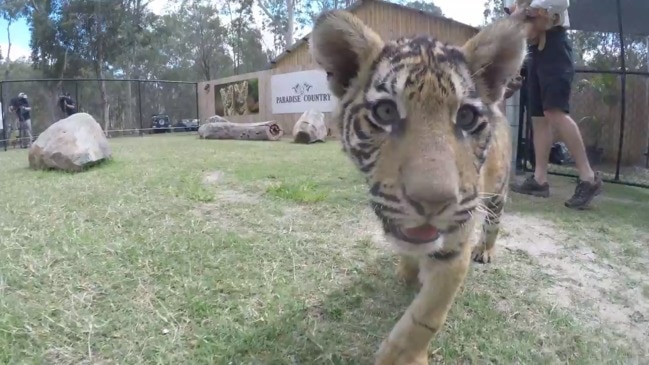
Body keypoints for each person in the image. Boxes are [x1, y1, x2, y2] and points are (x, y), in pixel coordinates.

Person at [507, 0, 603, 210]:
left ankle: (588, 178)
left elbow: (562, 1)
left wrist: (531, 8)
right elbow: (513, 12)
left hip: (554, 45)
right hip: (534, 50)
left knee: (554, 113)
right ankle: (540, 180)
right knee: (538, 117)